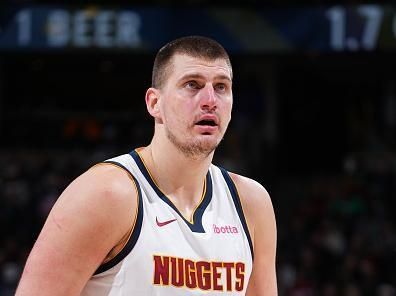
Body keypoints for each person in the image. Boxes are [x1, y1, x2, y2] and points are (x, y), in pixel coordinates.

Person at [16, 36, 277, 295]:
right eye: (192, 85)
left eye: (221, 87)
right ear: (154, 103)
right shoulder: (105, 194)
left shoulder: (251, 203)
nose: (210, 100)